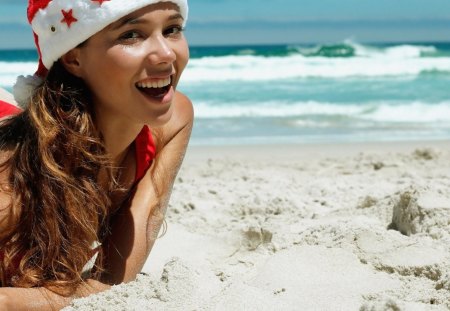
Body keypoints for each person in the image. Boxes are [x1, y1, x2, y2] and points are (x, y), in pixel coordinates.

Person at [0, 0, 192, 309]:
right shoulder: (9, 187)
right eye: (131, 34)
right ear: (73, 57)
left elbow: (111, 284)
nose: (167, 53)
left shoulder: (172, 120)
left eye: (172, 29)